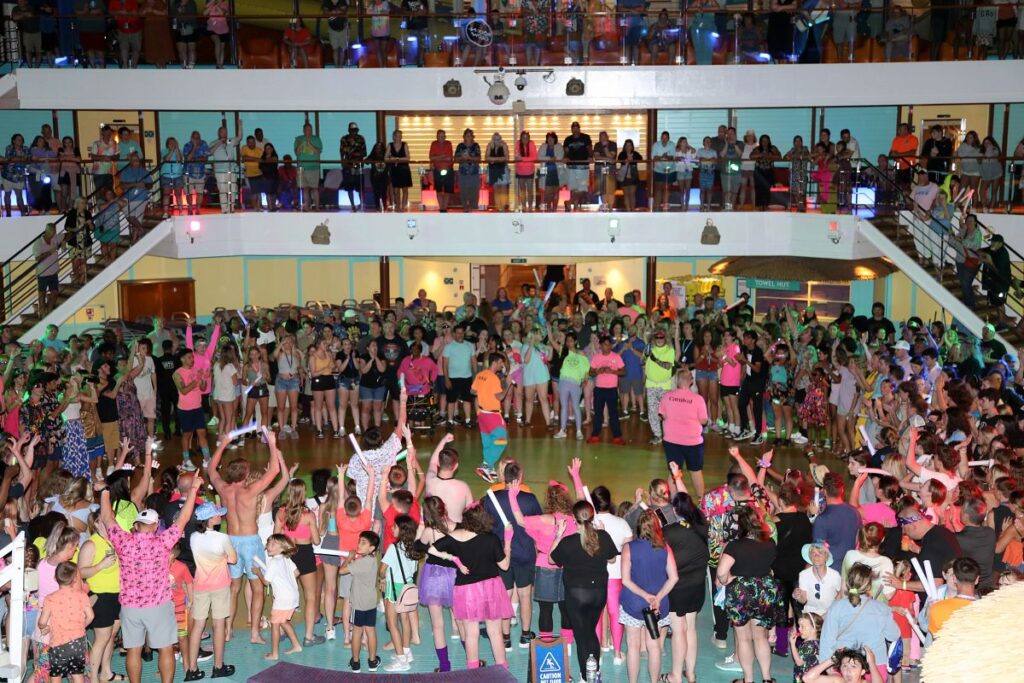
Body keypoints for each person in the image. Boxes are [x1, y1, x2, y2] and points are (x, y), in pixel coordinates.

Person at [99, 460, 202, 683]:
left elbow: (107, 519)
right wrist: (194, 489)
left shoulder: (123, 542)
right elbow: (183, 518)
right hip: (158, 605)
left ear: (136, 525)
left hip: (130, 606)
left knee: (134, 650)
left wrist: (106, 491)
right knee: (165, 649)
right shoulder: (163, 542)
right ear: (155, 526)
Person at [207, 431, 283, 645]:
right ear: (244, 474)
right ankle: (254, 633)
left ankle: (229, 630)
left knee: (233, 588)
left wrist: (223, 444)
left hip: (230, 541)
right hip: (250, 542)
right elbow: (275, 470)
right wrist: (272, 442)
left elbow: (211, 469)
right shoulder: (251, 491)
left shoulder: (223, 489)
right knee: (257, 587)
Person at [430, 504, 514, 671]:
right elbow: (504, 566)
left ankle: (473, 672)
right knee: (495, 632)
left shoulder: (453, 537)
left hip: (466, 590)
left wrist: (453, 558)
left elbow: (432, 549)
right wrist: (508, 542)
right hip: (490, 588)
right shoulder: (490, 539)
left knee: (471, 634)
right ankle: (502, 671)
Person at [550, 500, 619, 680]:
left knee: (582, 637)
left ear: (574, 519)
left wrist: (558, 535)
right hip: (598, 594)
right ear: (592, 516)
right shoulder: (602, 537)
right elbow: (612, 560)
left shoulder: (568, 542)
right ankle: (594, 675)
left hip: (576, 595)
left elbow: (551, 559)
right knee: (590, 633)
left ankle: (584, 676)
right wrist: (604, 532)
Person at [619, 508, 678, 683]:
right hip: (657, 607)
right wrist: (656, 598)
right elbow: (674, 577)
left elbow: (626, 581)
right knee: (654, 647)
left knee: (633, 646)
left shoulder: (629, 548)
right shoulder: (665, 548)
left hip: (633, 604)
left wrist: (645, 596)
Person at [188, 501, 237, 679]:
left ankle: (191, 669)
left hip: (200, 585)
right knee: (219, 625)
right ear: (210, 520)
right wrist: (223, 556)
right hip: (220, 586)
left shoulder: (193, 537)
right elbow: (233, 559)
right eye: (217, 514)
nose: (220, 515)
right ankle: (218, 667)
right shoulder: (222, 538)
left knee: (197, 627)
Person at [819, 564, 899, 666]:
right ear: (869, 586)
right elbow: (893, 635)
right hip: (875, 666)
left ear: (848, 583)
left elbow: (826, 641)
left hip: (845, 666)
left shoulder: (836, 607)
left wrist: (826, 667)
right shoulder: (882, 609)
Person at [37, 561, 93, 683]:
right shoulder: (82, 595)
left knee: (56, 675)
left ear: (55, 577)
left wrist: (44, 627)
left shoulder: (50, 598)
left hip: (58, 643)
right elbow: (91, 616)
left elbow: (42, 621)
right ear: (74, 579)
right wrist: (81, 626)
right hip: (78, 642)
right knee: (77, 674)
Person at [659, 367, 709, 498]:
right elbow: (704, 421)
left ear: (676, 380)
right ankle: (701, 500)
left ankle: (674, 503)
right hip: (692, 442)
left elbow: (662, 415)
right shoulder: (698, 399)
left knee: (674, 472)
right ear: (691, 381)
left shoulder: (667, 396)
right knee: (696, 471)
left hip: (671, 440)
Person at [254, 534, 303, 660]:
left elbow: (266, 582)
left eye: (273, 544)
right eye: (268, 543)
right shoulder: (286, 559)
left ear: (282, 548)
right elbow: (297, 572)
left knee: (275, 625)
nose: (269, 546)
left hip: (282, 598)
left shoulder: (273, 562)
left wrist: (258, 572)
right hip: (293, 595)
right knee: (284, 621)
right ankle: (296, 645)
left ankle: (274, 654)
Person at [339, 530, 382, 672]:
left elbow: (341, 571)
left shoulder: (361, 563)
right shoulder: (372, 560)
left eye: (363, 543)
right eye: (359, 541)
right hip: (370, 602)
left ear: (371, 548)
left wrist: (350, 557)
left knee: (357, 632)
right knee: (370, 630)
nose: (359, 545)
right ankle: (372, 661)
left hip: (358, 604)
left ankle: (356, 663)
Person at [470, 352, 512, 484]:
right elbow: (500, 397)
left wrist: (484, 391)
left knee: (487, 441)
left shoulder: (480, 375)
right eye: (501, 363)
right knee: (501, 440)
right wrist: (508, 384)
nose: (502, 365)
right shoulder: (494, 378)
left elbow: (472, 391)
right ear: (495, 362)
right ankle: (486, 465)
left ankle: (489, 468)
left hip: (482, 414)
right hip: (493, 415)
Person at [588, 335, 625, 445]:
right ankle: (595, 435)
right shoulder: (596, 357)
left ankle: (617, 437)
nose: (608, 347)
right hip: (599, 389)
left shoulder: (616, 357)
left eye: (609, 344)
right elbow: (591, 372)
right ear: (600, 345)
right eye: (605, 344)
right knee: (598, 413)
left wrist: (612, 371)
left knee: (613, 413)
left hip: (612, 389)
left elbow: (623, 372)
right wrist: (598, 371)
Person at [33, 222, 62, 316]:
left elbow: (66, 236)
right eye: (51, 231)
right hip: (43, 273)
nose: (53, 233)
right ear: (47, 231)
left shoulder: (55, 238)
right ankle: (42, 314)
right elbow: (37, 258)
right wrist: (49, 252)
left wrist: (64, 242)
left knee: (55, 292)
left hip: (53, 271)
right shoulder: (38, 242)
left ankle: (49, 310)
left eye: (54, 231)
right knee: (42, 294)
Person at [294, 122, 322, 211]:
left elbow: (317, 151)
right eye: (306, 129)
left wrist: (308, 143)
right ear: (303, 130)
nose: (308, 131)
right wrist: (300, 143)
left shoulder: (316, 139)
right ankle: (307, 207)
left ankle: (317, 207)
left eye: (310, 129)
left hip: (313, 167)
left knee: (314, 188)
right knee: (304, 188)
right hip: (301, 168)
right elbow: (297, 153)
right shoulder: (299, 139)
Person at [454, 128, 481, 212]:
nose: (468, 137)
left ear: (473, 137)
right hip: (463, 172)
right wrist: (462, 157)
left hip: (474, 172)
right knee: (463, 191)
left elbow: (478, 158)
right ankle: (465, 207)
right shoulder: (460, 146)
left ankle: (472, 208)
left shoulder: (476, 146)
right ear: (464, 137)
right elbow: (455, 159)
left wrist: (470, 157)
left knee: (474, 190)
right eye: (467, 135)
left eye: (470, 136)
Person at [429, 130, 454, 213]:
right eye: (440, 136)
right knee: (438, 190)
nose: (441, 137)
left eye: (443, 136)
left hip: (448, 169)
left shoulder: (448, 144)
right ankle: (441, 208)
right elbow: (431, 158)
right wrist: (442, 156)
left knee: (447, 191)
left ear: (445, 136)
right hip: (437, 170)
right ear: (437, 136)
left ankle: (445, 208)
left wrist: (437, 157)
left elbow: (449, 158)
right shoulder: (434, 144)